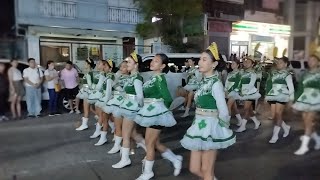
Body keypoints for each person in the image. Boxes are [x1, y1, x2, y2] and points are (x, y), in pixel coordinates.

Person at [181, 43, 235, 180]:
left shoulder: (216, 83)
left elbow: (223, 110)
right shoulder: (202, 82)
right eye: (200, 59)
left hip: (211, 127)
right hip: (198, 125)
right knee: (194, 168)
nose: (200, 62)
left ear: (214, 64)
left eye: (204, 59)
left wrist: (222, 128)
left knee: (206, 170)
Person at [134, 53, 182, 180]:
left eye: (156, 61)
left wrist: (162, 112)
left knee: (150, 143)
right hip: (150, 112)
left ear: (162, 66)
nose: (152, 62)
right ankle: (175, 159)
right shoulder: (152, 78)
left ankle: (148, 172)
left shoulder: (160, 78)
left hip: (156, 113)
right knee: (155, 143)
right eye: (152, 60)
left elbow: (167, 98)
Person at [112, 51, 146, 169]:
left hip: (131, 107)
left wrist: (140, 110)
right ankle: (149, 149)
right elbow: (125, 91)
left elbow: (140, 96)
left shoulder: (137, 78)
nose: (127, 64)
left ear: (136, 65)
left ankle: (125, 159)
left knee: (126, 135)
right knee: (132, 133)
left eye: (129, 62)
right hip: (127, 105)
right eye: (127, 62)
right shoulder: (132, 77)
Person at [292, 53, 320, 155]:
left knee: (308, 121)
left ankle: (304, 147)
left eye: (313, 60)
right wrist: (295, 101)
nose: (310, 62)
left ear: (318, 62)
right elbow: (300, 89)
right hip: (304, 99)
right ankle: (317, 139)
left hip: (316, 99)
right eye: (309, 60)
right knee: (305, 123)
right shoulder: (305, 74)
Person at [102, 61, 129, 154]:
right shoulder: (117, 76)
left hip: (125, 103)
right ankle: (117, 146)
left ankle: (138, 146)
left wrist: (117, 87)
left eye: (125, 67)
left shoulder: (130, 79)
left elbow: (126, 91)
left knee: (131, 132)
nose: (122, 68)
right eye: (120, 66)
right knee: (118, 126)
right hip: (116, 102)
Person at [265, 57, 293, 143]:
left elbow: (291, 88)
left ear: (285, 64)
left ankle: (275, 135)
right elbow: (269, 84)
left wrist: (291, 100)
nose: (278, 64)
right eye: (278, 62)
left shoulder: (287, 74)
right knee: (274, 116)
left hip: (282, 95)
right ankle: (286, 128)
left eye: (280, 62)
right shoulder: (274, 73)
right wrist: (266, 96)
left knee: (278, 113)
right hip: (273, 94)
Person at [76, 59, 105, 131]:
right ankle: (102, 121)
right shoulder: (88, 72)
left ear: (89, 64)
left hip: (88, 92)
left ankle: (85, 124)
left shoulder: (92, 73)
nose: (84, 65)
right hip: (86, 91)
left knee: (87, 109)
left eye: (85, 64)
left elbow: (92, 84)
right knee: (91, 109)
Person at [235, 56, 261, 132]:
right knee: (249, 109)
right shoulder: (243, 72)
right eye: (245, 62)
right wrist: (238, 89)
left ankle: (243, 126)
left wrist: (244, 91)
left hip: (250, 92)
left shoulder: (253, 73)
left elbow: (251, 84)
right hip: (243, 92)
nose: (246, 63)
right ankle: (257, 122)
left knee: (246, 108)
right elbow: (239, 82)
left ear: (252, 64)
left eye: (248, 62)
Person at [92, 60, 115, 146]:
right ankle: (105, 136)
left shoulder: (110, 76)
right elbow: (99, 87)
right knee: (105, 118)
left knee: (106, 118)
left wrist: (104, 102)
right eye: (104, 66)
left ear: (110, 68)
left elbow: (109, 91)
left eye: (105, 66)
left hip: (110, 99)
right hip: (105, 98)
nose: (104, 68)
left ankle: (105, 137)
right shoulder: (105, 75)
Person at [225, 60, 243, 126]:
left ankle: (227, 122)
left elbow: (237, 84)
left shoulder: (239, 73)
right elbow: (227, 83)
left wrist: (229, 90)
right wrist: (225, 90)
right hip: (229, 91)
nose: (232, 65)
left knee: (228, 106)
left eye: (234, 63)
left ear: (238, 65)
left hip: (234, 91)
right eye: (231, 63)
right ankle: (240, 120)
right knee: (234, 107)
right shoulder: (230, 73)